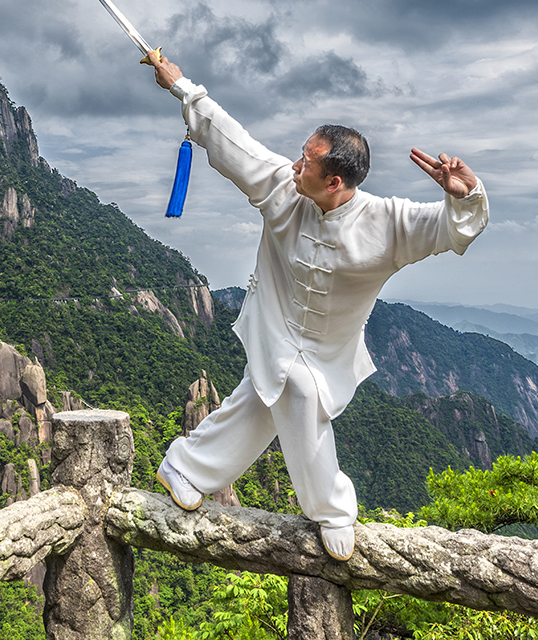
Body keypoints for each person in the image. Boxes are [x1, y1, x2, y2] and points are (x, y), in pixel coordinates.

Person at [148, 53, 488, 560]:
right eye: (301, 154)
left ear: (335, 181)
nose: (295, 165)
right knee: (296, 391)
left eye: (308, 162)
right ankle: (331, 510)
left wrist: (466, 196)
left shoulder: (389, 223)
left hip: (331, 345)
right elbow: (232, 139)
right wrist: (182, 88)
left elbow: (452, 229)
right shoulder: (282, 187)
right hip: (275, 326)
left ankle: (186, 467)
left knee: (266, 397)